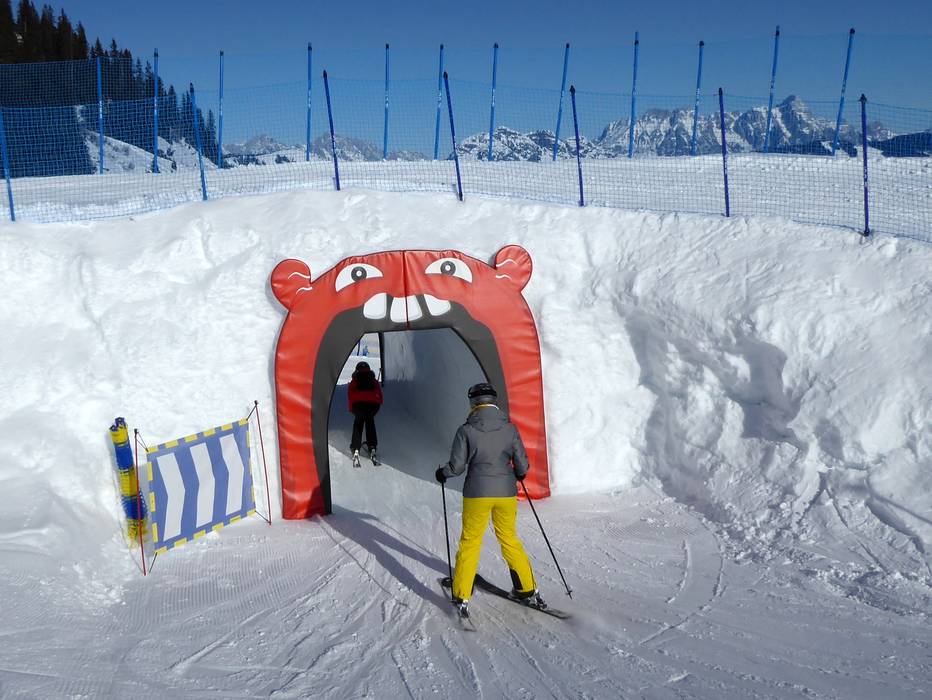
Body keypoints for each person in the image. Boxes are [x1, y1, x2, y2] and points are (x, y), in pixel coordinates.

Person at [435, 382, 543, 617]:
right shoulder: (510, 429)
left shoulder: (466, 430)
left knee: (470, 542)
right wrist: (519, 474)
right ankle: (526, 589)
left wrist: (442, 473)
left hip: (477, 494)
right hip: (506, 493)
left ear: (473, 403)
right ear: (494, 401)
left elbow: (457, 467)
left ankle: (462, 594)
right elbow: (522, 465)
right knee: (509, 538)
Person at [348, 361, 382, 465]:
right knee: (370, 422)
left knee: (358, 424)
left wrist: (352, 410)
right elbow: (380, 396)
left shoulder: (354, 380)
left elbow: (350, 396)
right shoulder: (374, 380)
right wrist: (375, 409)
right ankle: (372, 446)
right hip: (372, 407)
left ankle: (355, 448)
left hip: (358, 407)